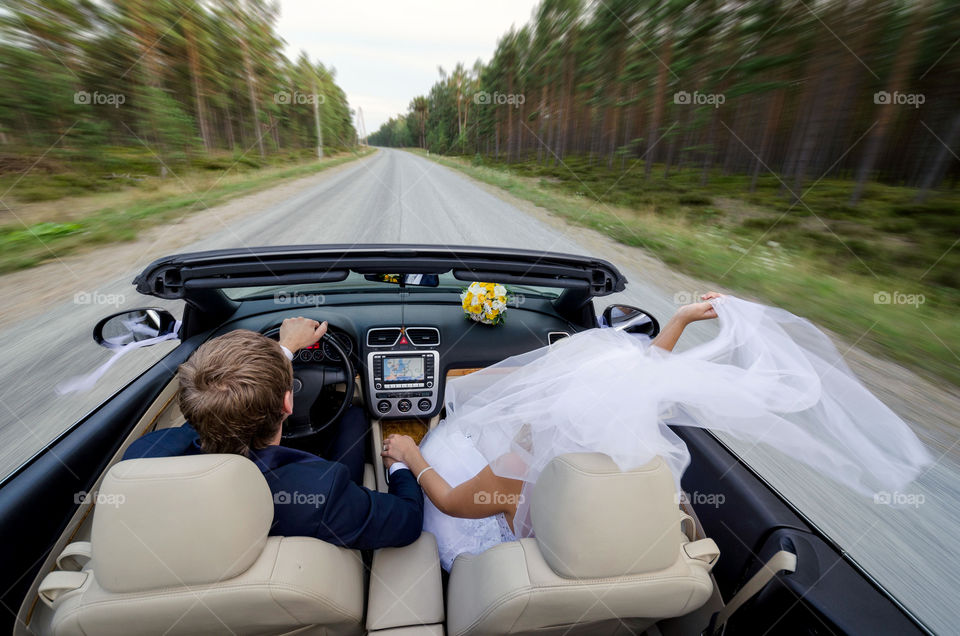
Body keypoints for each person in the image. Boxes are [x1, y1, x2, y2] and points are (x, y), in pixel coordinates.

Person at [381, 294, 931, 570]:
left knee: (441, 447)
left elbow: (453, 501)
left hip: (500, 559)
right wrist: (681, 321)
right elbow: (634, 382)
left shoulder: (519, 469)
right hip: (588, 548)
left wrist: (408, 452)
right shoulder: (629, 452)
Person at [125, 317, 423, 550]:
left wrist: (284, 351)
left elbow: (213, 406)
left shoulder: (144, 458)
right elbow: (408, 521)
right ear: (289, 401)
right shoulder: (319, 494)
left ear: (191, 407)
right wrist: (401, 464)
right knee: (353, 415)